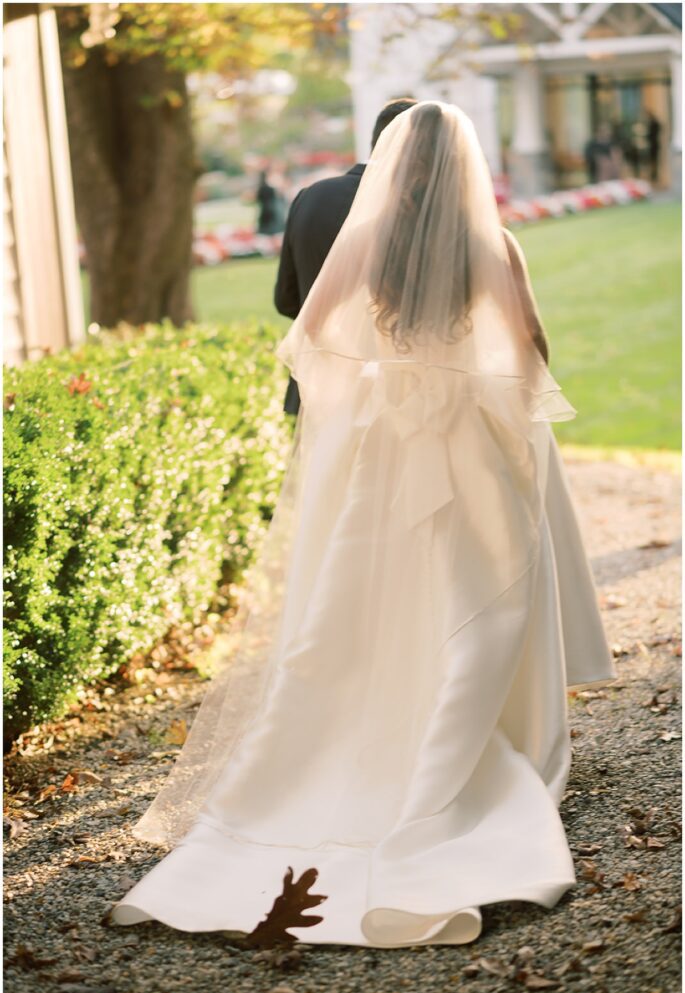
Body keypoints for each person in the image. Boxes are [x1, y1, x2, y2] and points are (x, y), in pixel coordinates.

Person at [111, 101, 616, 948]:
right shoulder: (493, 245)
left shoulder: (365, 239)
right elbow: (530, 350)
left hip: (383, 445)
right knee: (484, 600)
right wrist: (471, 387)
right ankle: (470, 754)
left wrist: (373, 388)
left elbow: (307, 334)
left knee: (366, 593)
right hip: (466, 445)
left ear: (392, 161)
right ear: (464, 166)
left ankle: (352, 743)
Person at [275, 98, 418, 416]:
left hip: (314, 384)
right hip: (396, 394)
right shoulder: (413, 206)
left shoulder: (310, 196)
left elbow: (286, 300)